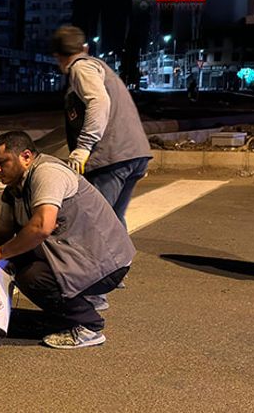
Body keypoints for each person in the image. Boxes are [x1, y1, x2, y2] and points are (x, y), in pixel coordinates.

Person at [0, 131, 134, 349]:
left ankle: (89, 326)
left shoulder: (47, 173)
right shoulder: (13, 190)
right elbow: (3, 231)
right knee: (12, 261)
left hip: (105, 263)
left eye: (2, 162)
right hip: (74, 257)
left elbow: (41, 227)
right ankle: (70, 310)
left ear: (26, 156)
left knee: (32, 277)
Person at [52, 26, 151, 310]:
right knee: (113, 218)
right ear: (83, 47)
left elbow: (98, 101)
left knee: (91, 224)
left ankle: (94, 293)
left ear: (60, 57)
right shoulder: (99, 66)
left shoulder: (81, 69)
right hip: (133, 153)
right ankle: (115, 273)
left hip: (111, 156)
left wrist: (83, 147)